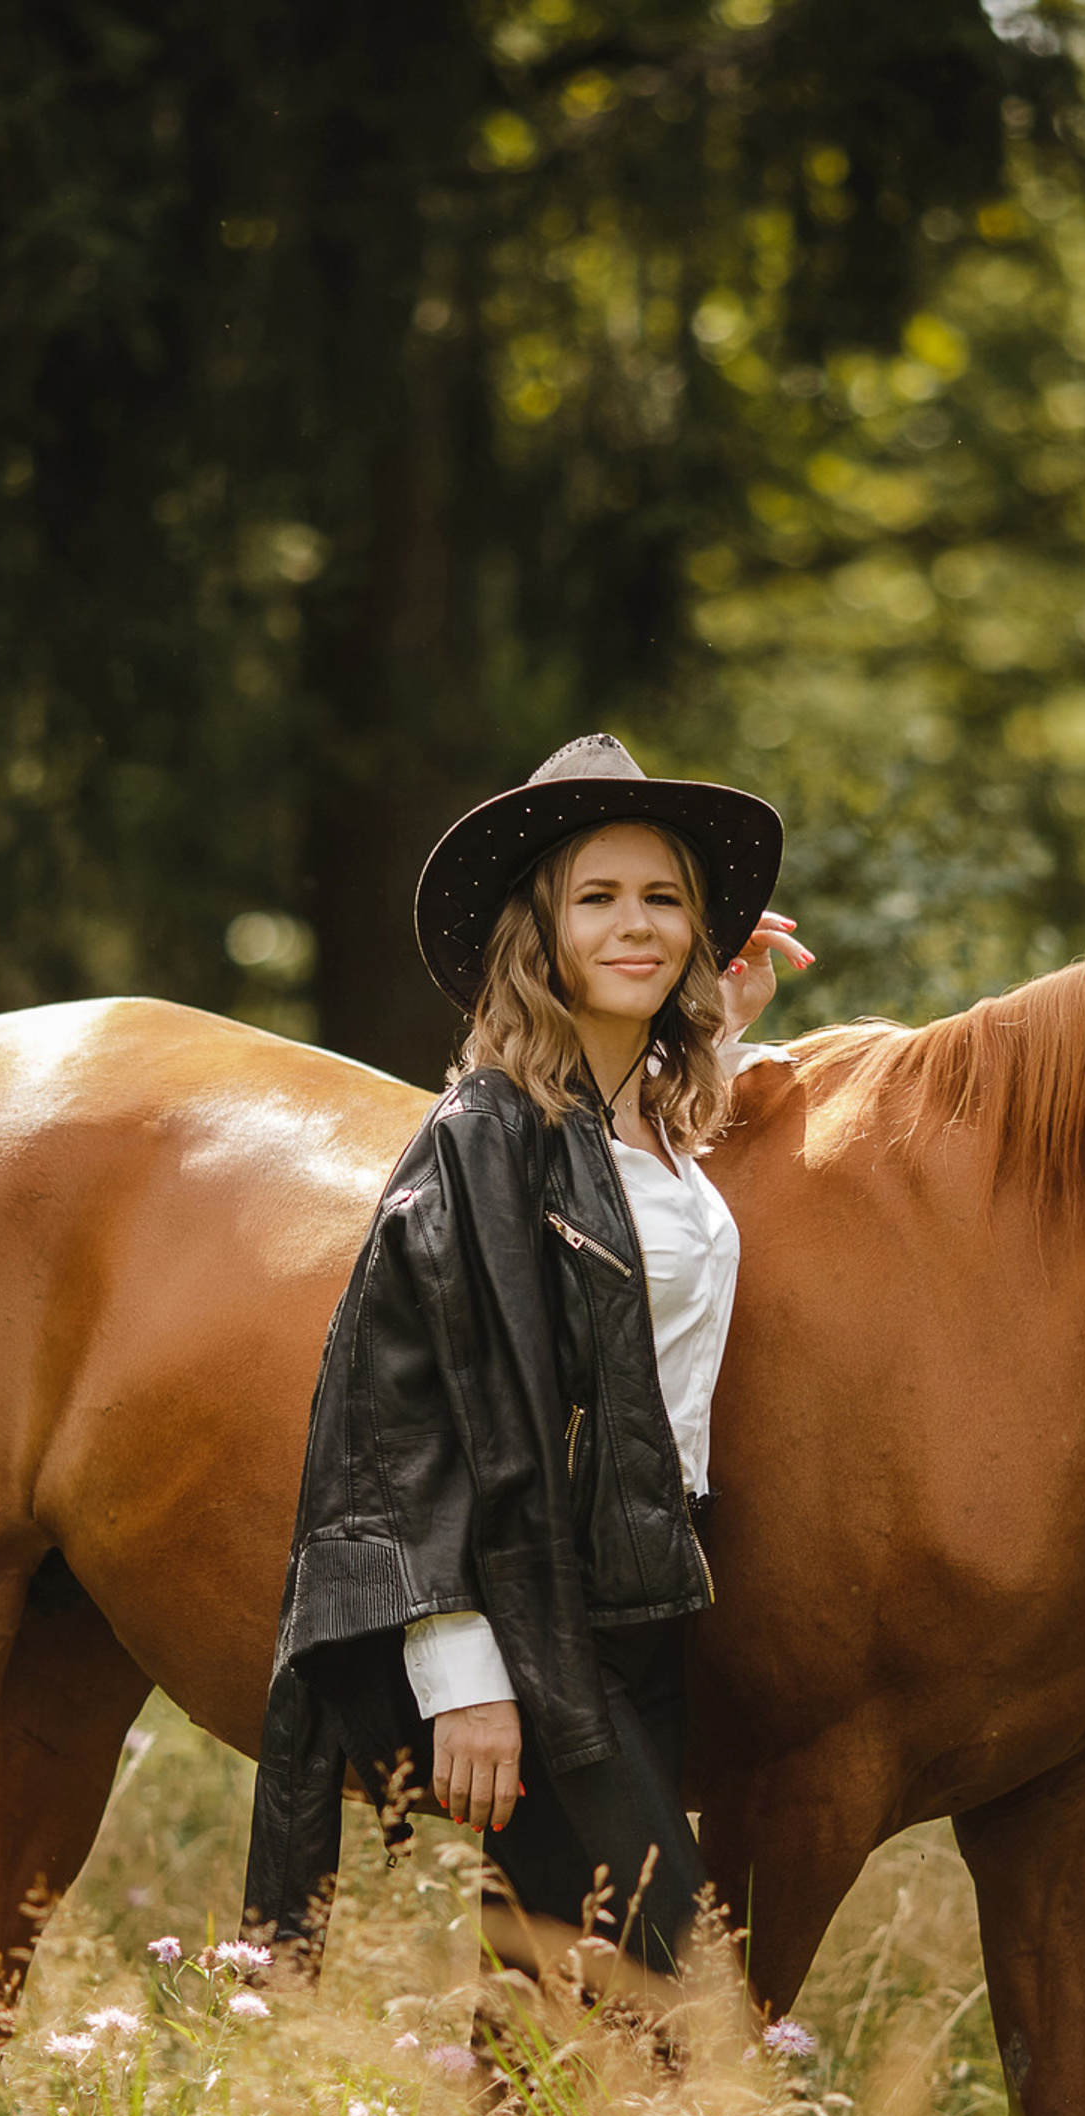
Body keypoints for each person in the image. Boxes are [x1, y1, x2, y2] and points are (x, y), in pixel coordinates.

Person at [240, 733, 810, 1986]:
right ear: (535, 935)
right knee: (678, 1984)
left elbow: (636, 1274)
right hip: (537, 1624)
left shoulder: (650, 1134)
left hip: (651, 1609)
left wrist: (719, 1034)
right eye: (596, 898)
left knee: (562, 1998)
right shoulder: (483, 1136)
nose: (638, 926)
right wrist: (464, 1675)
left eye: (665, 898)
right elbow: (401, 1424)